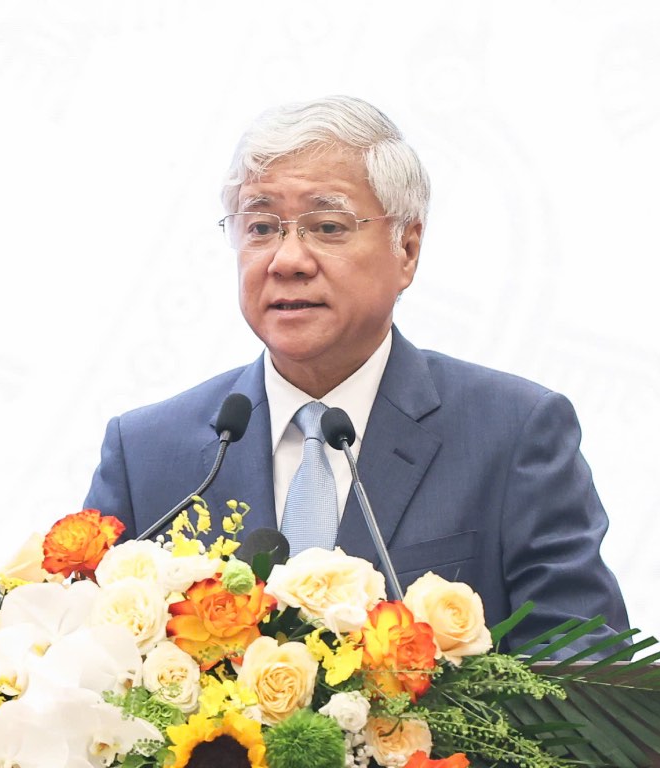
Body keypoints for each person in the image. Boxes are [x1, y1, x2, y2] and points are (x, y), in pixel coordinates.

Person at [83, 95, 630, 652]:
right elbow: (82, 668)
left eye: (327, 226)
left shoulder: (513, 434)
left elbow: (588, 677)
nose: (286, 259)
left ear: (407, 250)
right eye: (261, 226)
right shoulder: (148, 454)